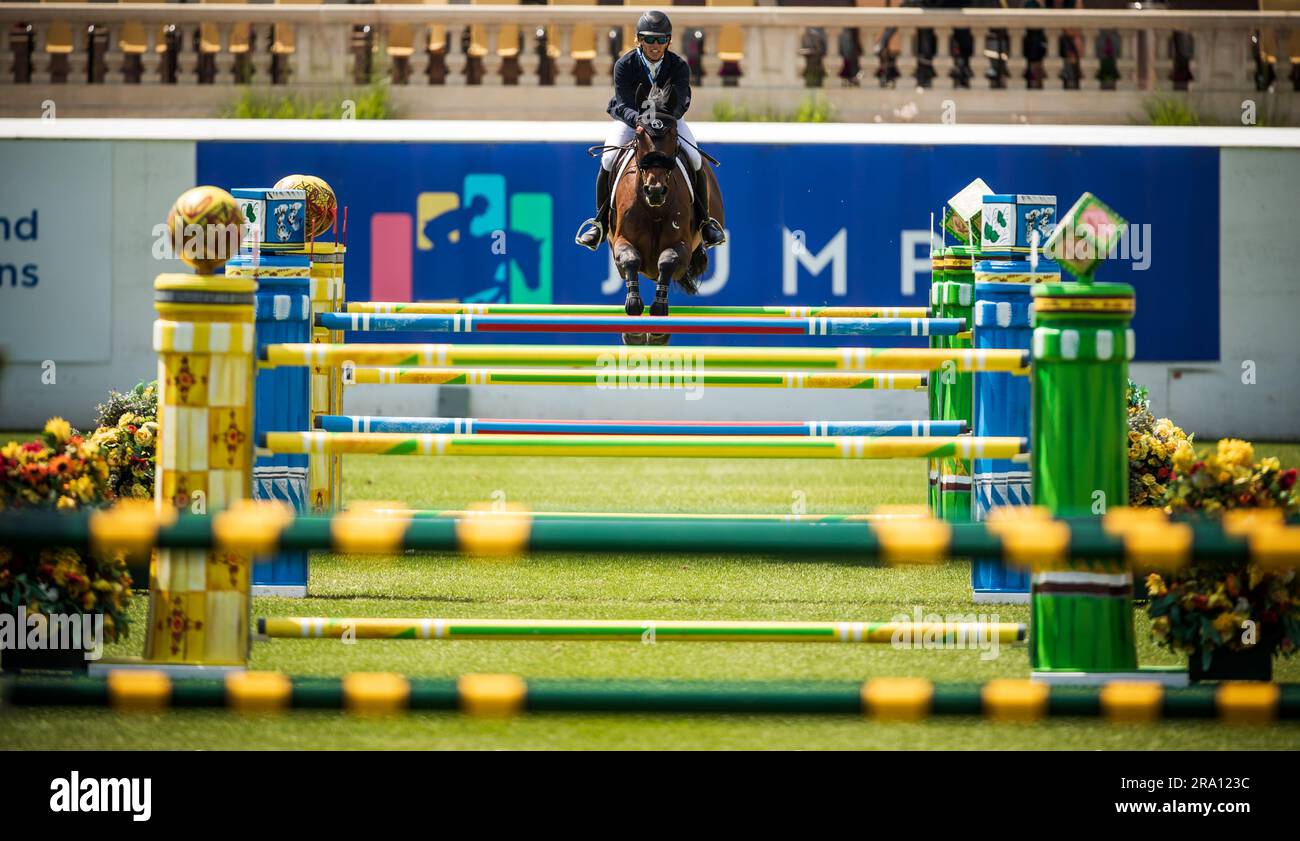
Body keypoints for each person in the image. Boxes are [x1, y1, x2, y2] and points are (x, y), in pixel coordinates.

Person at [575, 10, 725, 251]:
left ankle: (705, 223)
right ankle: (600, 223)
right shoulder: (624, 64)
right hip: (631, 122)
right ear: (639, 39)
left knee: (695, 158)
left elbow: (682, 101)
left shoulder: (678, 66)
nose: (655, 45)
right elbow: (623, 104)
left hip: (669, 122)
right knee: (609, 158)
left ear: (669, 41)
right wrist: (642, 121)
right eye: (650, 39)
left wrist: (664, 121)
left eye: (661, 39)